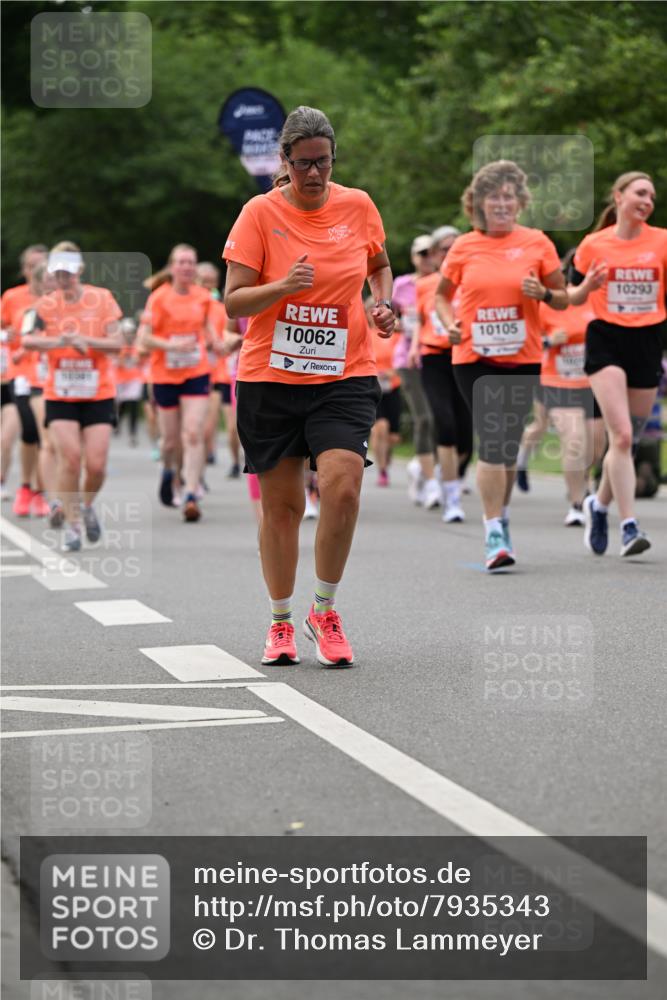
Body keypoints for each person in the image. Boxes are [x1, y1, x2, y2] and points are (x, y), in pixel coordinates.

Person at [223, 105, 394, 667]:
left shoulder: (358, 205)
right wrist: (281, 286)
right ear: (285, 162)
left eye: (322, 163)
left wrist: (382, 302)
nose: (314, 175)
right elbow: (233, 302)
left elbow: (379, 264)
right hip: (272, 375)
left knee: (343, 486)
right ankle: (279, 621)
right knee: (283, 508)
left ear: (332, 158)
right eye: (302, 166)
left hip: (344, 372)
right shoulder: (258, 213)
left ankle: (324, 610)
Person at [435, 160, 568, 570]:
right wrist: (449, 323)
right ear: (477, 203)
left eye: (509, 195)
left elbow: (564, 298)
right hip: (474, 356)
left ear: (520, 202)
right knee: (493, 438)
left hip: (523, 356)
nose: (502, 202)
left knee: (507, 446)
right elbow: (441, 296)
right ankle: (493, 532)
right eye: (493, 195)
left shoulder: (538, 243)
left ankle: (501, 517)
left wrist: (543, 293)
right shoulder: (464, 246)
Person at [571, 171, 667, 557]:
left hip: (647, 340)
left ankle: (599, 504)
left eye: (652, 197)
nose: (647, 201)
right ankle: (629, 526)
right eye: (640, 193)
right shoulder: (593, 244)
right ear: (619, 195)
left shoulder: (662, 240)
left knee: (629, 439)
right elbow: (572, 297)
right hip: (606, 339)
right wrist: (587, 288)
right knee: (622, 435)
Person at [22, 242, 123, 551]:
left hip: (98, 392)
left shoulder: (102, 299)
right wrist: (58, 342)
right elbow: (27, 341)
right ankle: (73, 524)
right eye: (58, 273)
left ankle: (86, 505)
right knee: (70, 458)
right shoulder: (44, 305)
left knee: (96, 465)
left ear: (79, 270)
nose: (63, 278)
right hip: (60, 392)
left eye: (68, 272)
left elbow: (117, 342)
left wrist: (86, 341)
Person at [137, 244, 217, 522]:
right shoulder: (158, 298)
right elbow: (145, 338)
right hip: (164, 375)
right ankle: (169, 472)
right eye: (181, 262)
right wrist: (171, 345)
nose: (186, 267)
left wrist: (225, 344)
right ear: (172, 267)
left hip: (196, 372)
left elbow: (209, 334)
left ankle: (191, 492)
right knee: (170, 442)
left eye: (190, 263)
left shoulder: (204, 297)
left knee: (193, 433)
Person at [411, 226, 471, 522]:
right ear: (435, 255)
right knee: (443, 423)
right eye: (444, 248)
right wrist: (412, 347)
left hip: (467, 358)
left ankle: (446, 476)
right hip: (434, 357)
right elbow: (418, 320)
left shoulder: (472, 281)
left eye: (454, 246)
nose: (449, 252)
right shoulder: (425, 284)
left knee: (466, 434)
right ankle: (451, 496)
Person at [0, 244, 49, 514]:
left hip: (52, 377)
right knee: (29, 432)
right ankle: (25, 486)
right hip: (21, 375)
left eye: (43, 266)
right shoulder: (13, 298)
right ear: (25, 270)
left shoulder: (59, 300)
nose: (38, 272)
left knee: (46, 435)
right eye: (32, 267)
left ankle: (39, 491)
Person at [392, 235, 439, 507]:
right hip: (408, 359)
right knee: (424, 418)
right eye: (421, 254)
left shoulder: (442, 284)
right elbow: (391, 316)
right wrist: (401, 326)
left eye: (430, 253)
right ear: (413, 257)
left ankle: (420, 466)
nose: (426, 259)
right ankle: (431, 479)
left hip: (435, 357)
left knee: (440, 419)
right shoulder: (402, 285)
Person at [196, 262, 243, 475]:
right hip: (201, 373)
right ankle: (199, 469)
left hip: (226, 373)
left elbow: (226, 334)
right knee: (205, 427)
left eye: (211, 282)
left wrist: (225, 343)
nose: (207, 286)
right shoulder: (191, 307)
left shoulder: (221, 307)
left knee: (233, 428)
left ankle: (234, 461)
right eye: (203, 281)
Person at [366, 297, 401, 486]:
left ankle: (386, 455)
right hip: (373, 387)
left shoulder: (396, 336)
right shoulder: (365, 335)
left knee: (392, 436)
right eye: (372, 310)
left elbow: (402, 360)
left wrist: (391, 372)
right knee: (380, 428)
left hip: (393, 386)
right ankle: (382, 470)